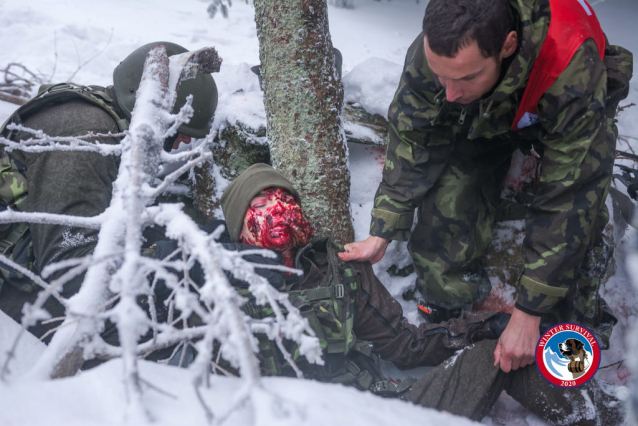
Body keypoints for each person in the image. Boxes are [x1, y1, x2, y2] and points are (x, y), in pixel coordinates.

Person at [339, 0, 633, 375]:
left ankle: (563, 333)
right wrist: (384, 226)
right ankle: (446, 313)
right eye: (440, 76)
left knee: (585, 225)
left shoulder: (571, 65)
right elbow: (414, 133)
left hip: (560, 104)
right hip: (492, 107)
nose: (447, 92)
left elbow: (569, 197)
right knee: (448, 200)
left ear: (508, 45)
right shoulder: (444, 45)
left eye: (463, 78)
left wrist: (528, 312)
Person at [207, 163, 624, 425]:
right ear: (238, 229)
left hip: (379, 412)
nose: (277, 213)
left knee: (502, 350)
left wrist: (490, 325)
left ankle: (602, 417)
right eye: (260, 206)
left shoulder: (339, 269)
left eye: (283, 200)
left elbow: (405, 346)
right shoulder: (215, 288)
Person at [0, 41, 218, 341]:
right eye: (178, 133)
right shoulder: (87, 133)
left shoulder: (110, 120)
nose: (180, 145)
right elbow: (71, 271)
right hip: (17, 299)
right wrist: (180, 266)